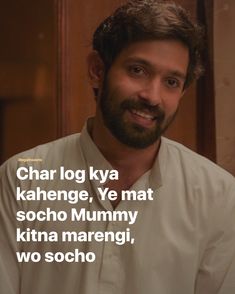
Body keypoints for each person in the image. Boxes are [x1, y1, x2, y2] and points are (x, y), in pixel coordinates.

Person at [0, 0, 235, 293]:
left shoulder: (218, 195)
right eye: (137, 70)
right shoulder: (22, 180)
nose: (153, 96)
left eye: (171, 82)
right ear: (97, 69)